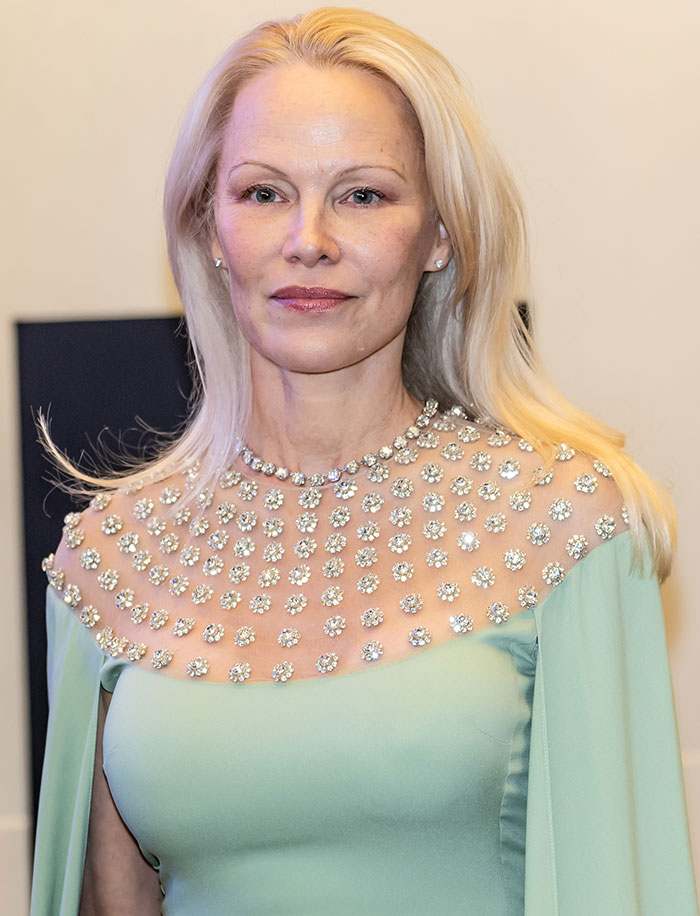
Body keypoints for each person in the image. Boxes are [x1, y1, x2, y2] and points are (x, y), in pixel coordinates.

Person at [30, 7, 698, 915]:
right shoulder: (109, 562)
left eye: (364, 196)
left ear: (440, 234)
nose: (309, 239)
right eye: (263, 193)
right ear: (208, 225)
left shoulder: (570, 524)